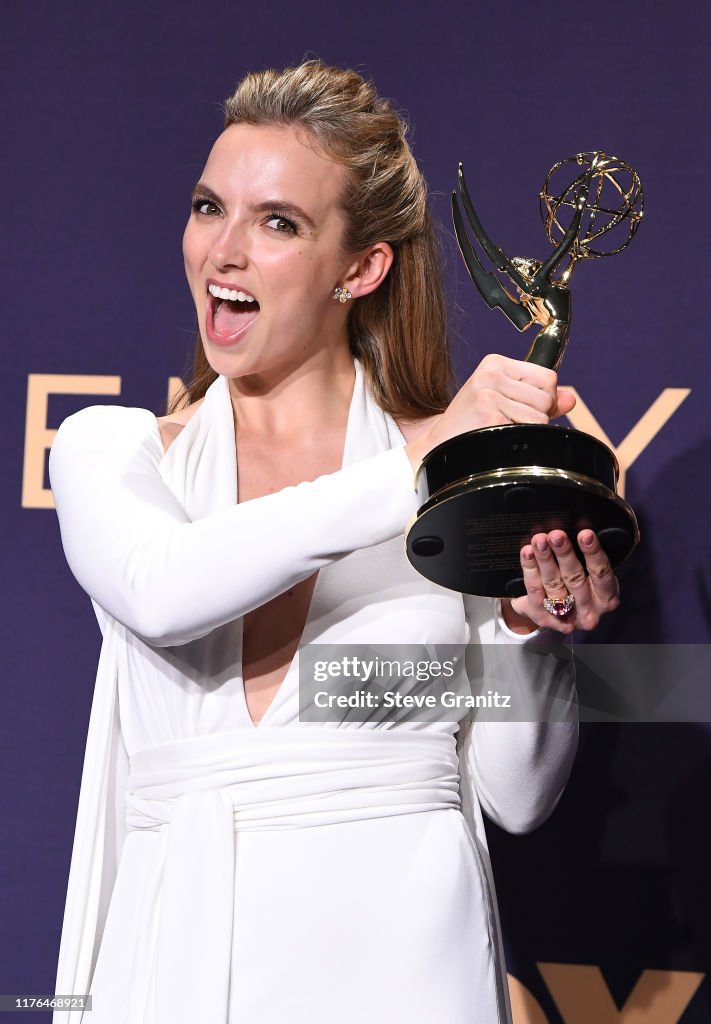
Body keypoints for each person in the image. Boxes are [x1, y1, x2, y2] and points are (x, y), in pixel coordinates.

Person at [49, 61, 620, 1024]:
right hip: (176, 967)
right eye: (207, 206)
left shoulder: (453, 483)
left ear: (361, 269)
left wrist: (532, 629)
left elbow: (517, 799)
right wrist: (424, 463)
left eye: (277, 222)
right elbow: (159, 588)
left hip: (401, 970)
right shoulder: (115, 450)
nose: (222, 251)